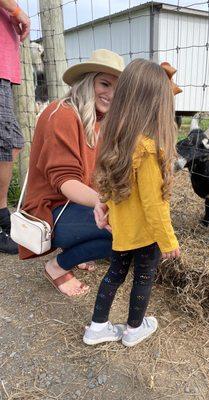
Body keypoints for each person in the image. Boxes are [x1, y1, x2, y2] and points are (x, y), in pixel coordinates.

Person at [83, 59, 181, 348]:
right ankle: (133, 329)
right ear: (158, 105)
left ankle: (97, 327)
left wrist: (108, 211)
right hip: (145, 234)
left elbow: (113, 189)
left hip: (122, 230)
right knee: (143, 278)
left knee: (114, 275)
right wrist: (168, 241)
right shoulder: (149, 151)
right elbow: (154, 205)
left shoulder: (119, 141)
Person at [19, 49, 125, 297]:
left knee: (125, 216)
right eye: (104, 83)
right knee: (123, 230)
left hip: (71, 206)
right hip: (50, 208)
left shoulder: (98, 119)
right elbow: (65, 181)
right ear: (87, 81)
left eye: (117, 89)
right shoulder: (63, 114)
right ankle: (57, 267)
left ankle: (77, 246)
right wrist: (103, 203)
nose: (111, 94)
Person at [0, 0, 30, 254]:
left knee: (14, 143)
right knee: (4, 145)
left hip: (6, 70)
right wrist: (17, 11)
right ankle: (0, 219)